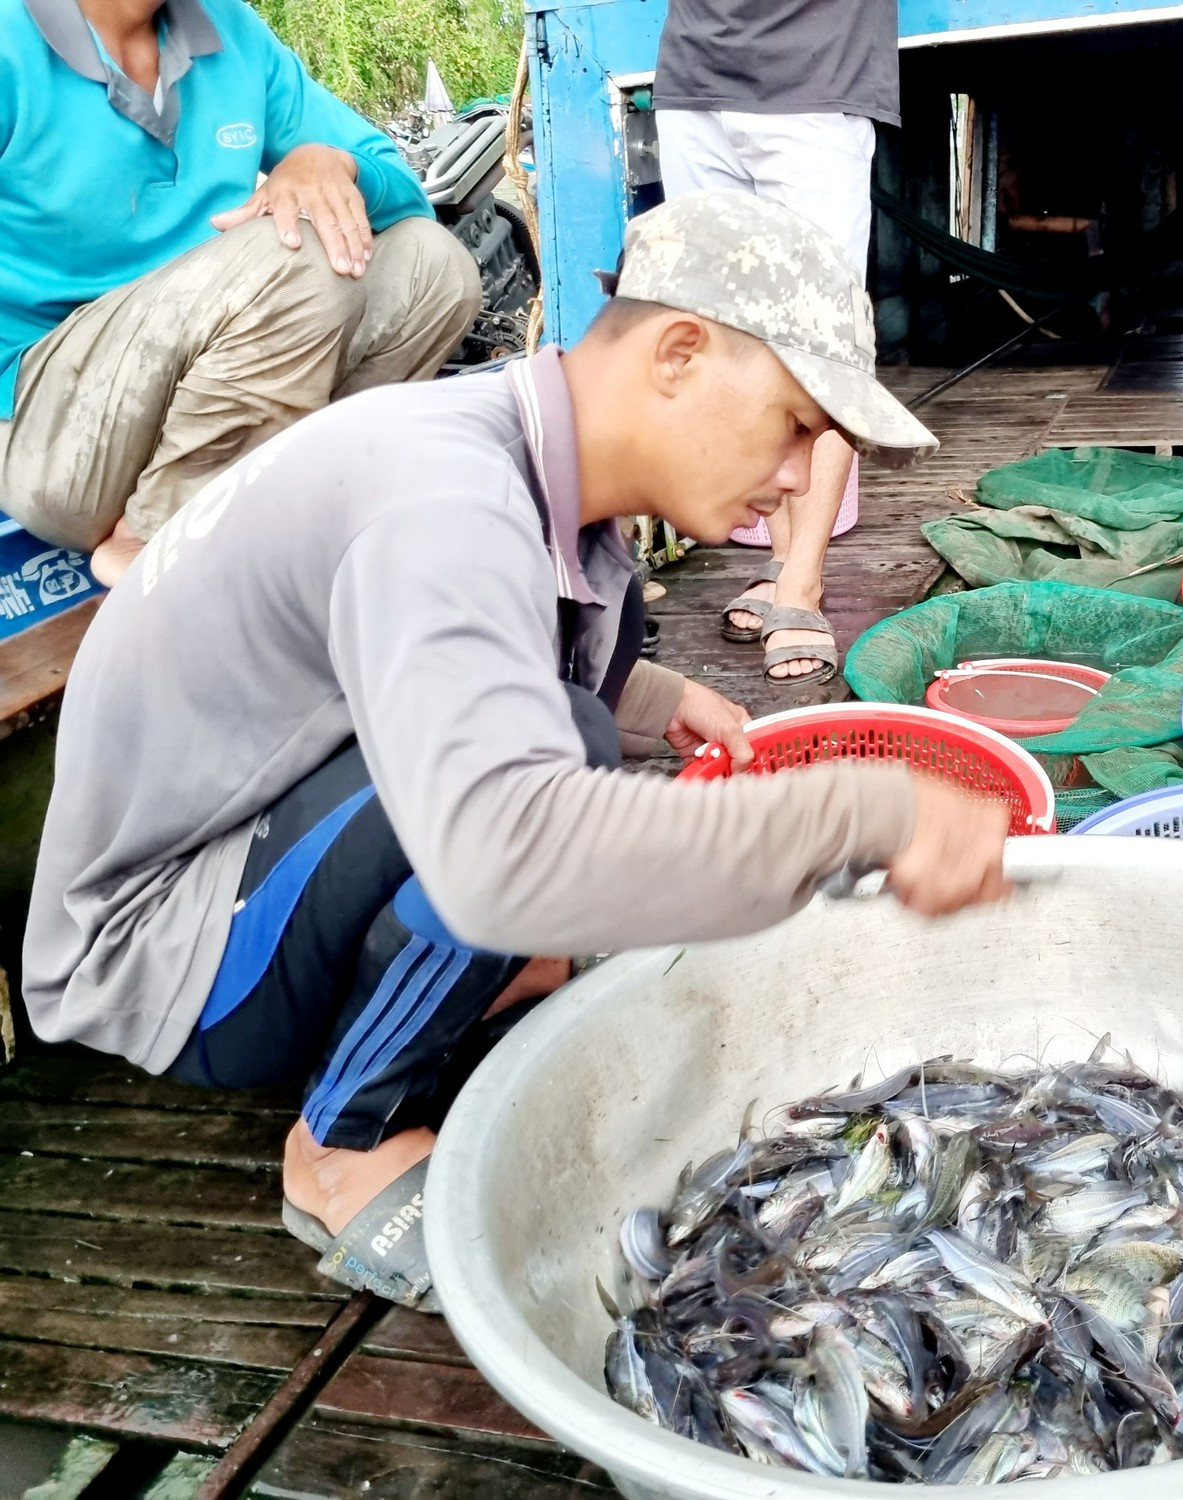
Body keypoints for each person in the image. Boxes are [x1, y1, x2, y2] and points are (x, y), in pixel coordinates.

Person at [23, 191, 1012, 1310]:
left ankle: (474, 972)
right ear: (678, 353)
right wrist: (862, 813)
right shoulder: (443, 497)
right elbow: (502, 842)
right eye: (792, 425)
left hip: (243, 845)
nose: (799, 479)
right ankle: (340, 1146)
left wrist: (656, 695)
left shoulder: (502, 451)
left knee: (590, 708)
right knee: (547, 771)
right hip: (159, 954)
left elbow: (421, 645)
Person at [0, 0, 481, 585]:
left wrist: (328, 162)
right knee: (292, 249)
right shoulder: (11, 41)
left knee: (435, 267)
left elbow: (406, 192)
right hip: (50, 430)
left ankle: (293, 508)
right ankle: (157, 540)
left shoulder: (228, 30)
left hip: (211, 386)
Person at [650, 0, 900, 684]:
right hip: (696, 74)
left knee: (823, 341)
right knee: (730, 342)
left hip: (818, 73)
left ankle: (804, 583)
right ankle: (781, 562)